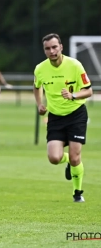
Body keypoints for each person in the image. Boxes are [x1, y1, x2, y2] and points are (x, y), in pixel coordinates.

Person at [33, 33, 93, 203]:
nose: (52, 51)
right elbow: (36, 86)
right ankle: (67, 161)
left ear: (61, 47)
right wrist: (39, 104)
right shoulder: (40, 69)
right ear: (44, 51)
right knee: (54, 158)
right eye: (47, 48)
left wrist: (73, 95)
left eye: (54, 47)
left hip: (76, 114)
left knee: (76, 158)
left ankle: (77, 192)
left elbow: (89, 91)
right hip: (55, 117)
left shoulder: (75, 65)